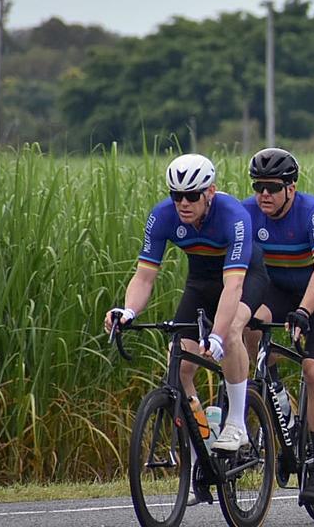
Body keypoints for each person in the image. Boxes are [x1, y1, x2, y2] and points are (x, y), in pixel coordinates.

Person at [103, 154, 264, 457]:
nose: (183, 203)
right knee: (179, 367)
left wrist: (215, 335)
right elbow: (145, 277)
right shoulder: (163, 216)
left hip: (244, 277)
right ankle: (201, 447)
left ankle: (236, 423)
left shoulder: (233, 215)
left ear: (210, 193)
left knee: (230, 333)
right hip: (201, 280)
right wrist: (129, 311)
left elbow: (233, 287)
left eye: (191, 195)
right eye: (176, 195)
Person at [241, 148, 314, 505]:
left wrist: (304, 311)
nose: (264, 196)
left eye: (273, 188)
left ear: (291, 187)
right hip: (279, 287)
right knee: (246, 328)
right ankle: (269, 403)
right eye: (259, 187)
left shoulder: (312, 213)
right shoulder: (247, 212)